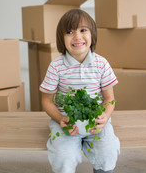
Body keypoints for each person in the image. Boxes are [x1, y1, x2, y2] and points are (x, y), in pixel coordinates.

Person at [40, 9, 120, 173]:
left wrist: (104, 117)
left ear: (93, 34)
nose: (77, 36)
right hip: (66, 123)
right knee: (63, 155)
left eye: (83, 30)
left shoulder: (101, 64)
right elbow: (46, 101)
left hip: (96, 122)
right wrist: (61, 118)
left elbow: (109, 99)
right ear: (62, 39)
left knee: (108, 151)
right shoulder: (56, 66)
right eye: (69, 32)